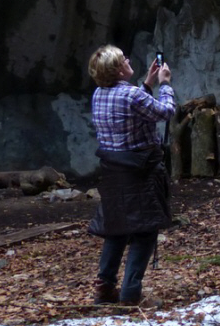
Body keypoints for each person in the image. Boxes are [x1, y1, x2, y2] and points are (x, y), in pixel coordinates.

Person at [86, 45, 176, 306]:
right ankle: (130, 293)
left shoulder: (98, 94)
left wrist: (146, 84)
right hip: (141, 171)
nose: (128, 59)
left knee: (116, 228)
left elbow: (130, 112)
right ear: (118, 69)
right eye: (123, 59)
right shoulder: (132, 96)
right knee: (145, 230)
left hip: (113, 172)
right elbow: (166, 112)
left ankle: (105, 288)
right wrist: (164, 84)